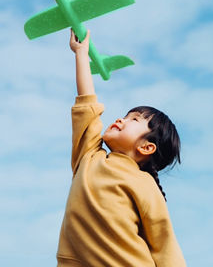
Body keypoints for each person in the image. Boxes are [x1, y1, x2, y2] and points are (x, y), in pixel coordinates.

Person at [56, 29, 186, 267]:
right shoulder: (89, 157)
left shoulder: (144, 185)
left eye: (134, 120)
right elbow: (87, 103)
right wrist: (81, 54)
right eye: (125, 116)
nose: (121, 120)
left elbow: (165, 247)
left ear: (147, 147)